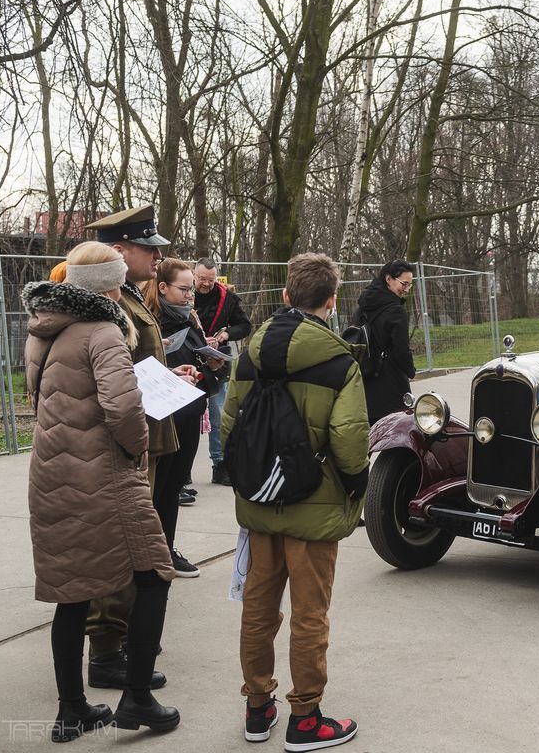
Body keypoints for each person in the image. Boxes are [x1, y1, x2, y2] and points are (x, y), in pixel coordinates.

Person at [22, 241, 179, 741]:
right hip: (104, 476)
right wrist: (136, 453)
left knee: (73, 593)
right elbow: (123, 410)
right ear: (109, 283)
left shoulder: (47, 328)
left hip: (52, 475)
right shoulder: (104, 330)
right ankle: (137, 698)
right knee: (154, 575)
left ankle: (72, 710)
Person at [223, 253, 369, 749]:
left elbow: (229, 428)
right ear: (331, 301)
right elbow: (349, 438)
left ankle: (257, 708)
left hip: (261, 503)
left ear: (285, 297)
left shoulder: (248, 355)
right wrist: (356, 487)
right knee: (310, 613)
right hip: (316, 503)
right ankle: (306, 718)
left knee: (258, 609)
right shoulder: (338, 362)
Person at [82, 206, 193, 691]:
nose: (158, 255)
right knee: (120, 545)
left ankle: (120, 638)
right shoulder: (107, 304)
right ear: (120, 251)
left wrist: (171, 375)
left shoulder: (128, 295)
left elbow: (138, 363)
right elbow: (112, 376)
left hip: (146, 430)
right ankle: (107, 650)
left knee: (135, 544)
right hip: (128, 439)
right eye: (149, 248)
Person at [144, 258, 227, 578]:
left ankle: (167, 547)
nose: (191, 295)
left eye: (192, 288)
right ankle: (152, 552)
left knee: (175, 484)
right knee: (159, 486)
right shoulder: (152, 322)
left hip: (190, 412)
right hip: (164, 418)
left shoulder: (190, 319)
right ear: (163, 288)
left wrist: (212, 367)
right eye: (184, 289)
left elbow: (203, 369)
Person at [193, 257, 252, 485]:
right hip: (188, 361)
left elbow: (244, 325)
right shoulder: (183, 293)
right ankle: (183, 472)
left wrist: (225, 335)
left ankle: (220, 465)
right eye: (201, 279)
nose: (206, 284)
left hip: (217, 364)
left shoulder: (227, 298)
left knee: (219, 416)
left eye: (210, 279)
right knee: (187, 417)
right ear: (194, 275)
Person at [352, 259, 417, 423]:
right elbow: (401, 349)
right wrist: (410, 371)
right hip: (391, 382)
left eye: (409, 285)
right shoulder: (396, 311)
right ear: (389, 279)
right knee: (397, 433)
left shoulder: (364, 305)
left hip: (365, 378)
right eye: (404, 283)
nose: (406, 289)